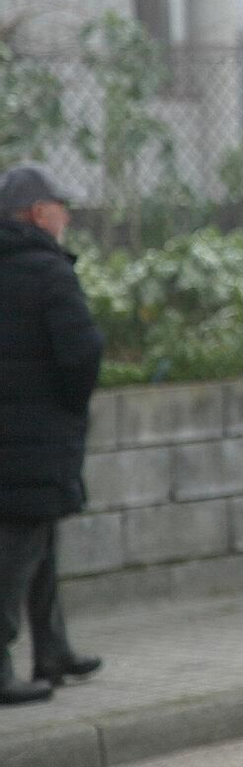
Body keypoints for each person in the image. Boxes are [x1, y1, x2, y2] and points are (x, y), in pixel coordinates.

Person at [0, 162, 105, 706]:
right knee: (19, 551)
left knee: (39, 546)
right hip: (36, 439)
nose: (66, 217)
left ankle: (53, 650)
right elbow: (82, 353)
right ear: (41, 214)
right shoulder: (48, 271)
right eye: (62, 207)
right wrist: (67, 408)